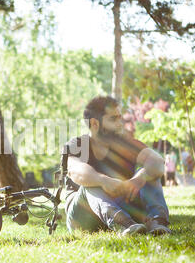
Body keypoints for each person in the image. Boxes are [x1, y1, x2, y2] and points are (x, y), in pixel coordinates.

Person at [64, 95, 171, 236]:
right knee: (91, 184)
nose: (120, 124)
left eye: (120, 118)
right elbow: (76, 170)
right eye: (113, 119)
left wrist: (139, 179)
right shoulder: (77, 145)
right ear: (95, 124)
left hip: (121, 204)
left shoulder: (125, 144)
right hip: (82, 217)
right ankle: (126, 225)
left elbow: (157, 161)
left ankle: (157, 224)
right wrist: (103, 181)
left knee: (150, 173)